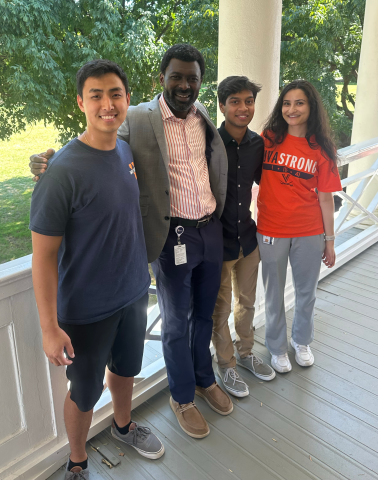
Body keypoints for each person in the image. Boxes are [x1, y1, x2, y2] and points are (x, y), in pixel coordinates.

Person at [29, 44, 232, 440]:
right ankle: (182, 397)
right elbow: (95, 137)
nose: (185, 84)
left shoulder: (203, 114)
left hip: (201, 235)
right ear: (161, 79)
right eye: (176, 76)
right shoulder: (138, 119)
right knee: (175, 322)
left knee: (203, 316)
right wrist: (45, 163)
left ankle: (203, 379)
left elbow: (108, 146)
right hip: (170, 236)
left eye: (193, 78)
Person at [29, 59, 164, 480]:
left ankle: (123, 427)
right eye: (96, 95)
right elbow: (43, 256)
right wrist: (49, 327)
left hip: (133, 293)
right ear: (80, 102)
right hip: (85, 309)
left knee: (126, 371)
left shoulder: (125, 150)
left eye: (115, 94)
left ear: (126, 99)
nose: (107, 103)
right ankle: (77, 461)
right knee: (84, 392)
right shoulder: (61, 172)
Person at [256, 79, 342, 373]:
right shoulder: (267, 138)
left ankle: (301, 341)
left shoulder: (322, 149)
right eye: (287, 103)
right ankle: (277, 347)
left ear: (311, 107)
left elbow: (326, 198)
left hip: (309, 231)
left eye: (299, 103)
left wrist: (329, 240)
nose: (292, 109)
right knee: (273, 293)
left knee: (307, 291)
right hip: (270, 229)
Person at [212, 76, 276, 398]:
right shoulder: (209, 142)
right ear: (222, 105)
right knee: (219, 310)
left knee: (247, 303)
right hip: (218, 242)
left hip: (248, 240)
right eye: (235, 101)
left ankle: (246, 353)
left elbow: (271, 183)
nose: (243, 108)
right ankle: (226, 365)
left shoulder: (258, 145)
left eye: (248, 101)